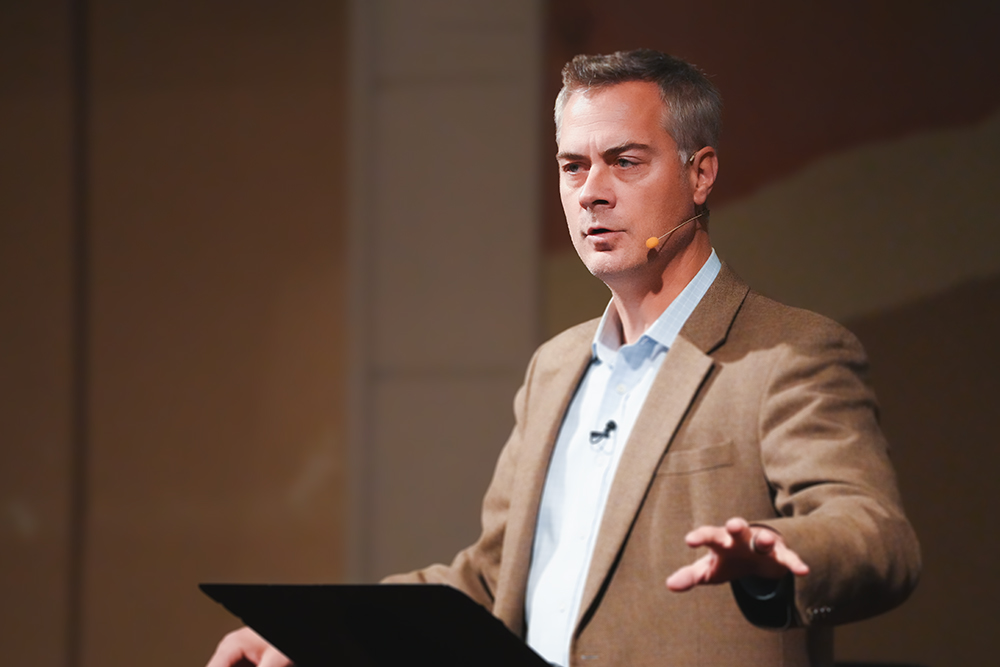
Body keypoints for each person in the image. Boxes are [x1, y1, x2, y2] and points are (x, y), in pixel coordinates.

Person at [207, 49, 920, 667]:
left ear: (700, 175)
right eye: (573, 166)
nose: (591, 192)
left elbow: (875, 533)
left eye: (625, 161)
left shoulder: (784, 352)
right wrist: (313, 639)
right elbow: (492, 581)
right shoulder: (555, 367)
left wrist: (773, 550)